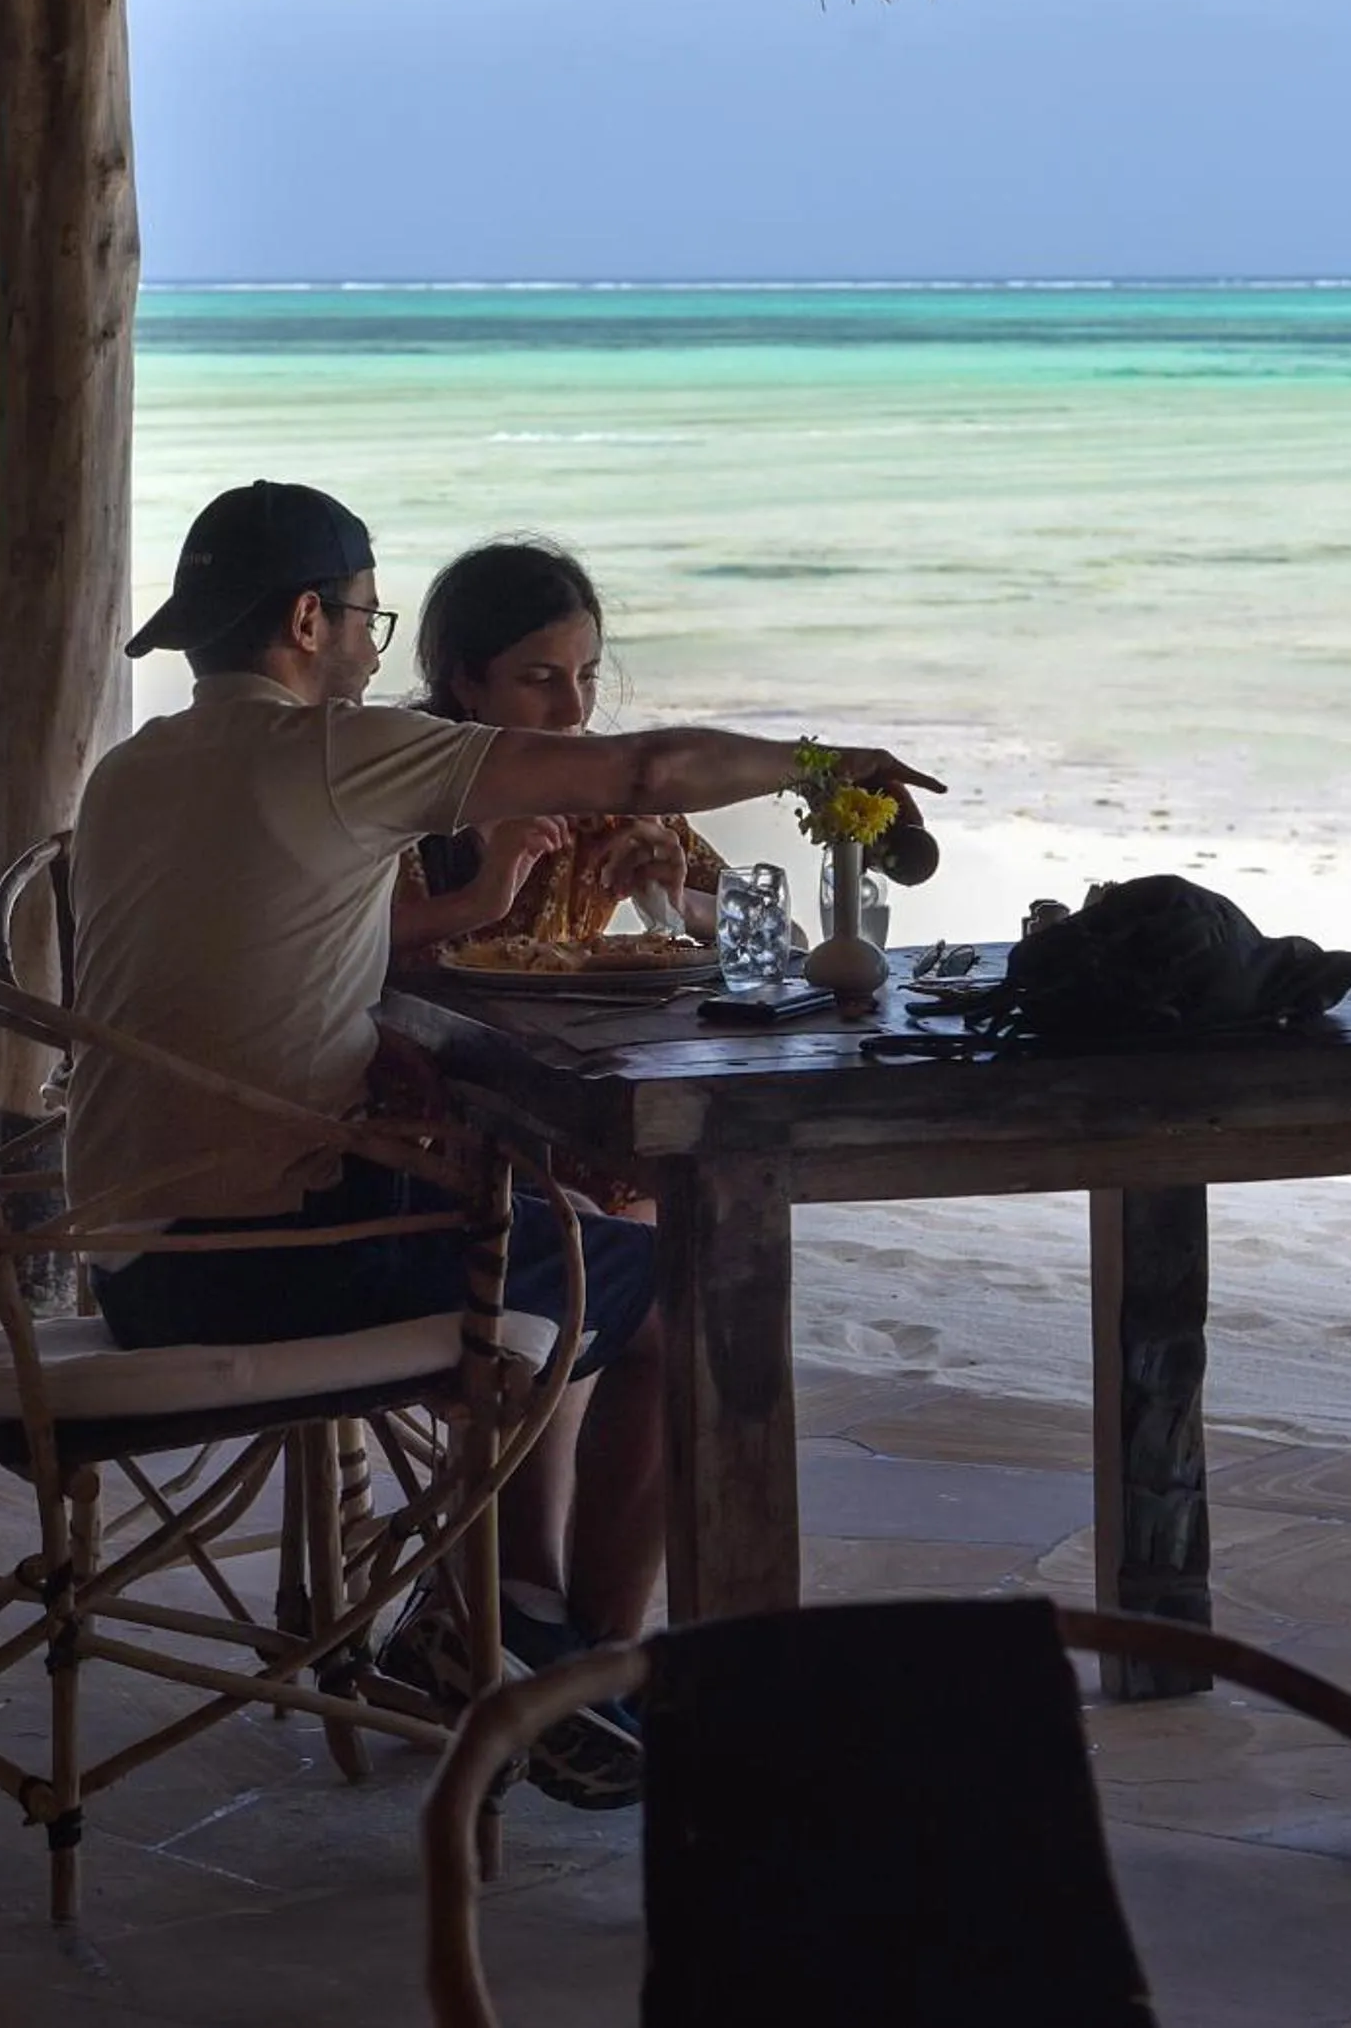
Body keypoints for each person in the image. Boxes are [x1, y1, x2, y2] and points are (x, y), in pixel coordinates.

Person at [64, 479, 939, 1809]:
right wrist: (821, 763)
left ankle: (522, 1636)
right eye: (366, 617)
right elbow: (640, 768)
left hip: (122, 1249)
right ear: (310, 618)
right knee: (691, 1291)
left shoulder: (127, 769)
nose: (371, 645)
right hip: (268, 1260)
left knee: (549, 1226)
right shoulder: (336, 752)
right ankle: (561, 1662)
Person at [391, 538, 723, 965]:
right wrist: (477, 902)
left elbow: (784, 935)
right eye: (540, 679)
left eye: (586, 677)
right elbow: (318, 954)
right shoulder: (398, 799)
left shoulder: (610, 794)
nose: (573, 710)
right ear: (466, 684)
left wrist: (678, 904)